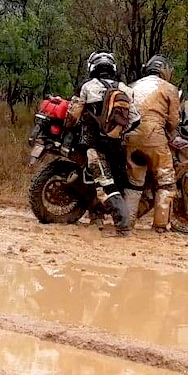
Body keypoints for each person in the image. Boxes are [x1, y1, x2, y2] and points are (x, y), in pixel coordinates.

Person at [71, 51, 140, 237]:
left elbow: (74, 115)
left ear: (92, 67)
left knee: (106, 185)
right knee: (115, 182)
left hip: (95, 144)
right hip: (117, 145)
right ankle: (97, 216)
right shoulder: (125, 89)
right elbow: (135, 119)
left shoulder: (87, 87)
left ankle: (123, 226)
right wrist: (117, 132)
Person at [124, 55, 181, 233]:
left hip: (130, 139)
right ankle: (160, 225)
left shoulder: (132, 86)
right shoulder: (170, 89)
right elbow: (173, 121)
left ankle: (127, 222)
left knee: (134, 183)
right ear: (164, 71)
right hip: (154, 138)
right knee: (166, 181)